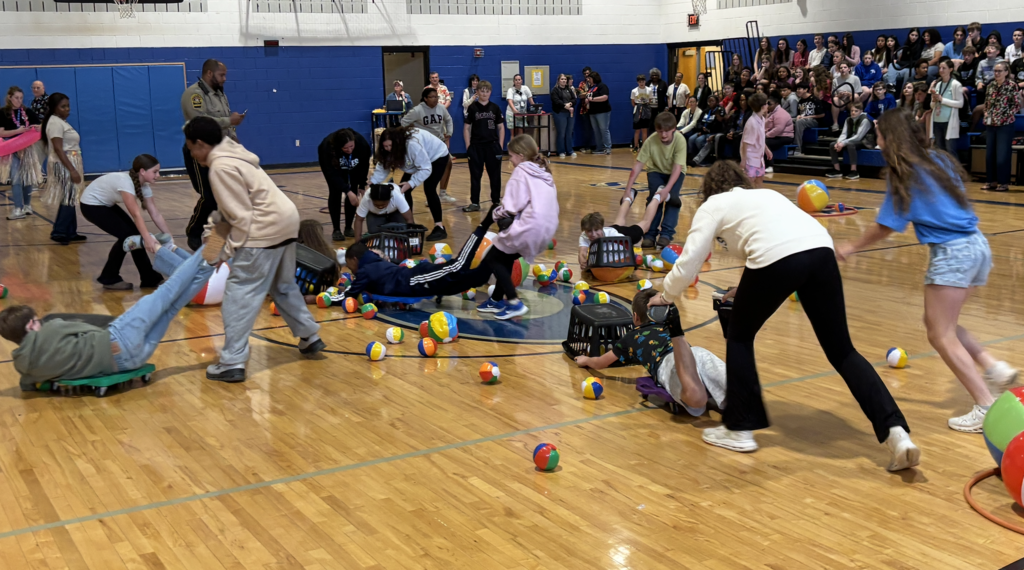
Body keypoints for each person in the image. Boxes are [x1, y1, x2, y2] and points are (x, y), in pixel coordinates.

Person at [648, 160, 919, 472]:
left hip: (778, 260)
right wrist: (745, 288)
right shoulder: (766, 196)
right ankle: (896, 434)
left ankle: (740, 429)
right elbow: (778, 243)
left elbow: (690, 261)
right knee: (842, 351)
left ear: (710, 189)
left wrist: (665, 294)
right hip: (821, 252)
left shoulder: (714, 204)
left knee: (739, 334)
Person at [836, 109, 1017, 433]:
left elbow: (887, 226)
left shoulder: (902, 170)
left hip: (952, 253)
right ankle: (994, 367)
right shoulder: (938, 159)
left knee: (939, 333)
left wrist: (850, 246)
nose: (875, 138)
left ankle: (985, 405)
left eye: (879, 133)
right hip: (977, 246)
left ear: (890, 137)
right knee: (943, 325)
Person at [183, 116, 325, 382]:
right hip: (285, 221)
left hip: (264, 229)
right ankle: (309, 335)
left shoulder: (220, 168)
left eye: (191, 148)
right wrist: (212, 243)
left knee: (239, 293)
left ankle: (232, 363)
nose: (192, 154)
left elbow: (240, 218)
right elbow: (229, 212)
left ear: (201, 144)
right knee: (283, 286)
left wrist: (221, 254)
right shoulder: (237, 156)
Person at [1, 244, 214, 391]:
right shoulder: (50, 329)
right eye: (36, 320)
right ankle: (215, 241)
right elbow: (89, 325)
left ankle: (212, 261)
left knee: (171, 308)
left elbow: (27, 383)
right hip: (118, 340)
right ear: (30, 325)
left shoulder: (23, 365)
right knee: (168, 290)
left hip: (130, 362)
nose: (40, 321)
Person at [575, 289, 727, 417]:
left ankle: (698, 390)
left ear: (635, 318)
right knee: (731, 382)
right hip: (692, 352)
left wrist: (586, 360)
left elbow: (601, 363)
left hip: (668, 364)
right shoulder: (666, 325)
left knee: (695, 399)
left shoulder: (631, 337)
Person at [476, 135, 559, 320]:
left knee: (493, 258)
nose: (510, 161)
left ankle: (514, 302)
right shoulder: (544, 172)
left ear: (521, 156)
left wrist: (494, 214)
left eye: (511, 156)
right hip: (546, 229)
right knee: (504, 255)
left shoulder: (521, 171)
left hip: (530, 226)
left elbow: (511, 206)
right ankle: (496, 299)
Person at [344, 209, 497, 302]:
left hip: (416, 279)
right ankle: (498, 254)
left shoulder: (364, 271)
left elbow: (349, 294)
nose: (351, 270)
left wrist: (326, 296)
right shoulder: (373, 261)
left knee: (458, 265)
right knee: (478, 278)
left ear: (354, 259)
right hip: (420, 278)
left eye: (349, 265)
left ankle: (484, 224)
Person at [79, 155, 170, 290]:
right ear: (143, 171)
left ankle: (149, 278)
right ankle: (109, 277)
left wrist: (169, 236)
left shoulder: (144, 187)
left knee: (133, 237)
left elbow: (155, 214)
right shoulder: (125, 183)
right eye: (155, 172)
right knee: (128, 237)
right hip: (91, 206)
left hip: (105, 204)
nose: (158, 175)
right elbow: (136, 214)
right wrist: (147, 239)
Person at [181, 59, 242, 252]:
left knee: (221, 196)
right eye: (221, 75)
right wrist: (228, 120)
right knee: (209, 195)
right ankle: (195, 231)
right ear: (209, 73)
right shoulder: (194, 94)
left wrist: (234, 137)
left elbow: (227, 125)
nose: (224, 79)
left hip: (221, 151)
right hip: (201, 151)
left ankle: (215, 244)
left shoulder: (219, 95)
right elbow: (200, 122)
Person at [370, 125, 450, 241]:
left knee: (429, 189)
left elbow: (425, 168)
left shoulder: (412, 144)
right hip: (416, 163)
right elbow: (384, 167)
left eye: (390, 146)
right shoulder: (389, 149)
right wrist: (372, 182)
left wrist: (412, 182)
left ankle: (440, 227)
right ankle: (409, 224)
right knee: (404, 189)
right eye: (385, 146)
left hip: (436, 156)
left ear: (396, 142)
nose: (388, 149)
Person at [620, 112, 687, 248]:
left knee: (672, 199)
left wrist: (667, 190)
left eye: (667, 131)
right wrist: (627, 190)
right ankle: (650, 235)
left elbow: (677, 168)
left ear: (674, 128)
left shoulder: (680, 140)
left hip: (675, 171)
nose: (663, 135)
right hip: (655, 170)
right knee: (654, 198)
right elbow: (638, 166)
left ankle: (666, 234)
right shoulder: (651, 141)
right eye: (660, 131)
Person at [578, 186, 671, 271]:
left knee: (646, 224)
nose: (593, 234)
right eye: (589, 231)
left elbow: (627, 248)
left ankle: (658, 195)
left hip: (622, 235)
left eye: (596, 230)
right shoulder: (584, 235)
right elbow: (582, 252)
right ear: (585, 231)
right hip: (612, 230)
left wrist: (633, 262)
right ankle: (629, 196)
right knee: (619, 221)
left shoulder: (616, 236)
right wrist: (583, 262)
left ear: (601, 228)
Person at [40, 93, 86, 244]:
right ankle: (59, 232)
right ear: (54, 108)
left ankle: (71, 232)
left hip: (68, 162)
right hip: (63, 164)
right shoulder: (55, 123)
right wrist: (72, 170)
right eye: (63, 106)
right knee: (68, 197)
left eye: (68, 106)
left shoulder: (60, 122)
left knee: (70, 197)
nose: (67, 109)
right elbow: (59, 149)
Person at [402, 87, 455, 208]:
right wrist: (413, 134)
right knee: (425, 169)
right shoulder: (417, 110)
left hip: (439, 144)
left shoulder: (441, 108)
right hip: (424, 145)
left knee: (448, 163)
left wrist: (449, 133)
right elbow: (403, 123)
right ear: (425, 98)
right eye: (432, 97)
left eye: (436, 96)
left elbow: (448, 120)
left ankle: (442, 193)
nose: (435, 99)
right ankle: (429, 194)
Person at [317, 128, 370, 241]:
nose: (349, 150)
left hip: (353, 166)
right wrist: (347, 191)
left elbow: (364, 165)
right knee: (335, 190)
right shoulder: (326, 148)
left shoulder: (362, 144)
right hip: (334, 168)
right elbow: (331, 174)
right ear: (339, 146)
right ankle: (336, 229)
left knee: (353, 189)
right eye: (345, 148)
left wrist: (362, 184)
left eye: (351, 146)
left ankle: (348, 227)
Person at [462, 80, 506, 212]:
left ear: (490, 92)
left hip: (492, 146)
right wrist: (468, 146)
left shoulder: (495, 108)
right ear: (477, 92)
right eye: (482, 91)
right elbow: (466, 128)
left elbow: (501, 128)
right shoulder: (472, 108)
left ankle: (496, 201)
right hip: (476, 147)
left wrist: (500, 145)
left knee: (495, 175)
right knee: (475, 176)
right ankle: (475, 202)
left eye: (487, 91)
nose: (484, 93)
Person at [0, 85, 42, 221]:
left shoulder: (27, 111)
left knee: (27, 178)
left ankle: (27, 206)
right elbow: (1, 132)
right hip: (11, 149)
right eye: (16, 98)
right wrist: (19, 131)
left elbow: (40, 126)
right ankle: (18, 208)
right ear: (9, 98)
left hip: (27, 149)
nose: (19, 101)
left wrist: (38, 127)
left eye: (21, 98)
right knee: (16, 178)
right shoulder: (3, 112)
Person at [981, 61, 1021, 192]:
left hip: (1005, 123)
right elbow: (987, 102)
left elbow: (1016, 105)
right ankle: (991, 181)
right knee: (990, 154)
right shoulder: (991, 85)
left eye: (999, 71)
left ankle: (1003, 182)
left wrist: (1004, 116)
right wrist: (986, 113)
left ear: (1006, 72)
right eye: (995, 71)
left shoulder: (1012, 86)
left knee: (1002, 155)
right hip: (991, 123)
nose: (996, 73)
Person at [826, 101, 875, 181]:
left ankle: (854, 171)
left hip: (865, 142)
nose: (853, 113)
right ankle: (837, 170)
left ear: (861, 111)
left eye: (856, 111)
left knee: (850, 145)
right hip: (851, 140)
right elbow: (844, 134)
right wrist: (839, 142)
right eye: (852, 111)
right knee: (832, 145)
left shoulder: (865, 120)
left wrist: (843, 143)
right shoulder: (848, 119)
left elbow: (858, 137)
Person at [929, 60, 964, 158]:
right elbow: (932, 106)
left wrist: (942, 100)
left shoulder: (956, 84)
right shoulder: (938, 84)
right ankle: (943, 173)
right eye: (940, 68)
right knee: (940, 152)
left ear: (951, 69)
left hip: (949, 121)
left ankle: (954, 173)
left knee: (950, 151)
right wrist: (933, 100)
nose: (941, 70)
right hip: (937, 120)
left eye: (944, 68)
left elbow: (960, 104)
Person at [740, 93, 770, 186]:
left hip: (759, 157)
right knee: (749, 183)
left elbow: (760, 138)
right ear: (763, 107)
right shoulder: (752, 123)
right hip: (750, 158)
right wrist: (743, 161)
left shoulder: (762, 119)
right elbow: (745, 143)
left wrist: (767, 149)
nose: (768, 105)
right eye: (766, 103)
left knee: (760, 179)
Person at [791, 82, 827, 156]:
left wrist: (805, 117)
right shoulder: (800, 101)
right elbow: (800, 114)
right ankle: (790, 146)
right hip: (803, 119)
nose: (798, 91)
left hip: (814, 121)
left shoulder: (814, 99)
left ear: (806, 89)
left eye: (799, 89)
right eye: (797, 89)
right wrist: (798, 116)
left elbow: (822, 114)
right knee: (789, 120)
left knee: (800, 122)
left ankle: (798, 149)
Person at [763, 92, 793, 174]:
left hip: (785, 137)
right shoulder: (770, 113)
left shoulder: (781, 113)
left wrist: (766, 135)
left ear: (776, 103)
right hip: (775, 136)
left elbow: (778, 129)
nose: (767, 106)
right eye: (766, 104)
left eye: (770, 104)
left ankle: (770, 165)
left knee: (764, 143)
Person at [550, 73, 577, 158]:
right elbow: (556, 100)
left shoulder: (569, 89)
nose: (564, 81)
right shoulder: (555, 90)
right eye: (562, 79)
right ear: (558, 81)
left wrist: (570, 103)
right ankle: (561, 151)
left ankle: (570, 150)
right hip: (560, 113)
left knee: (569, 132)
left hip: (569, 112)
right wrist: (564, 105)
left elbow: (574, 99)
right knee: (561, 132)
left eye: (565, 79)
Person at [586, 72, 612, 155]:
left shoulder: (602, 86)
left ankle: (607, 148)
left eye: (590, 78)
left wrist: (592, 99)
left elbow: (605, 97)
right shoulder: (591, 87)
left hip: (602, 111)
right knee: (596, 130)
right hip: (592, 112)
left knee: (604, 129)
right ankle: (599, 147)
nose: (588, 80)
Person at [830, 62, 862, 131]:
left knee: (855, 96)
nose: (843, 69)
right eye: (841, 68)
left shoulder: (855, 78)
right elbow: (834, 94)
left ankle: (855, 121)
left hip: (851, 101)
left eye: (845, 67)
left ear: (849, 69)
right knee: (835, 99)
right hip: (841, 102)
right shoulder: (835, 80)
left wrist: (849, 94)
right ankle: (835, 123)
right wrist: (839, 95)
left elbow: (858, 93)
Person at [505, 74, 535, 138]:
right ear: (513, 81)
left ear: (521, 81)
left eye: (519, 80)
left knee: (521, 134)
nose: (517, 81)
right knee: (513, 134)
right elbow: (510, 101)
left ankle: (520, 147)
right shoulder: (511, 90)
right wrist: (514, 111)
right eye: (516, 80)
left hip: (522, 114)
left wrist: (536, 109)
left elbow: (531, 100)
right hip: (512, 114)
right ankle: (512, 147)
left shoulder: (525, 88)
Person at [630, 74, 654, 151]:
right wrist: (638, 107)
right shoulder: (634, 91)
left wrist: (645, 107)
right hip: (637, 109)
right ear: (637, 82)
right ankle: (636, 146)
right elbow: (633, 101)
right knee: (637, 130)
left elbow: (650, 99)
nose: (641, 83)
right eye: (640, 81)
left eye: (643, 81)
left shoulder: (649, 90)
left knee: (644, 129)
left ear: (645, 81)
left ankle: (644, 146)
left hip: (646, 109)